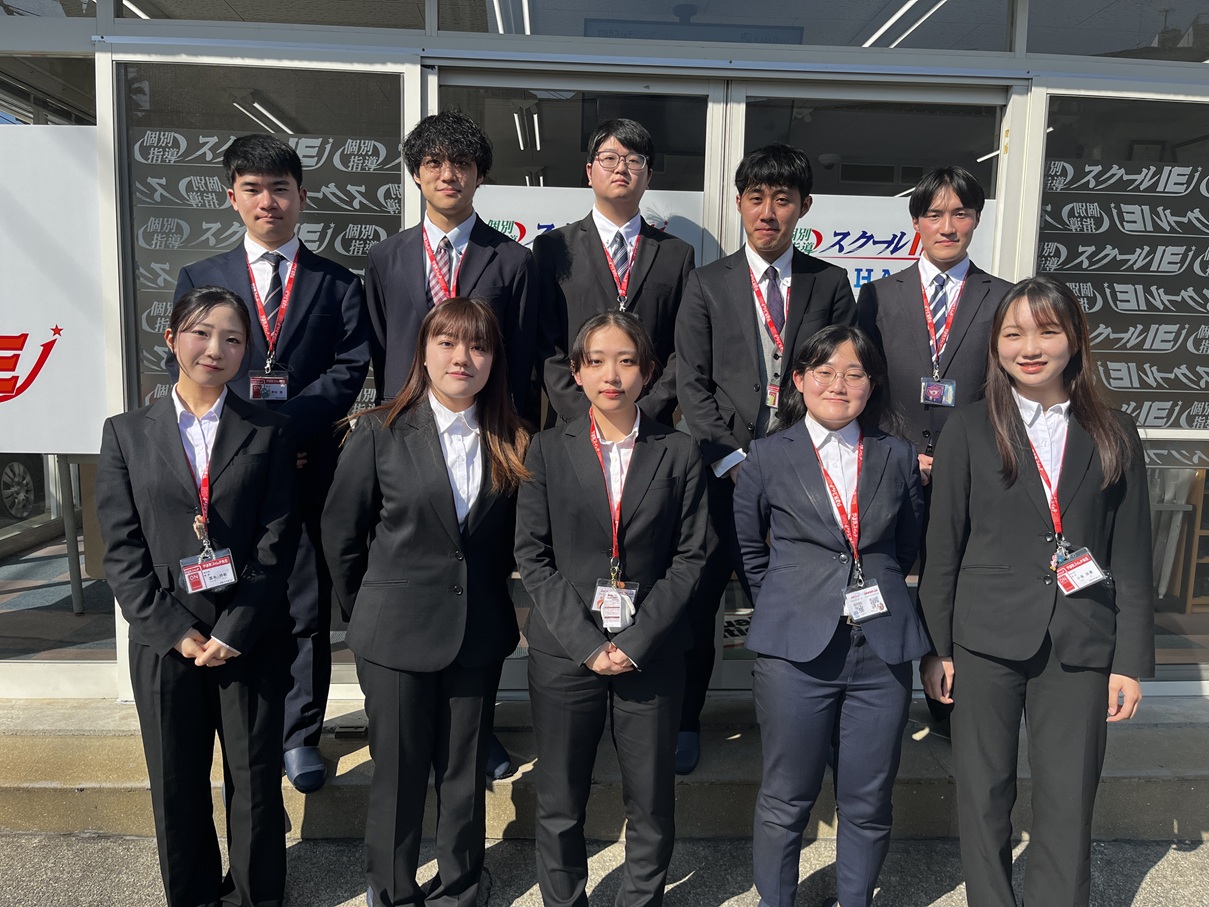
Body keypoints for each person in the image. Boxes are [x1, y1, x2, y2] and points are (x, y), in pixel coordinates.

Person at [919, 276, 1155, 907]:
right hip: (983, 640)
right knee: (984, 793)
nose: (1030, 348)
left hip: (1081, 640)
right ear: (995, 344)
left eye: (1047, 332)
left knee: (1069, 797)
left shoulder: (1115, 431)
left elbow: (1132, 555)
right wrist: (938, 648)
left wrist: (1129, 662)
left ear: (1074, 339)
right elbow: (943, 549)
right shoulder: (969, 428)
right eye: (1013, 333)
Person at [175, 133, 371, 793]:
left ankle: (299, 733)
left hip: (307, 463)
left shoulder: (337, 283)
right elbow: (193, 368)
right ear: (232, 197)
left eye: (280, 189)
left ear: (302, 197)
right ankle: (242, 719)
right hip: (228, 470)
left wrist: (285, 429)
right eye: (253, 189)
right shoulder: (201, 278)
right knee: (233, 588)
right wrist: (246, 436)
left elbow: (349, 368)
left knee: (303, 600)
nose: (268, 202)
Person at [322, 298, 531, 907]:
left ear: (494, 360)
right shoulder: (379, 430)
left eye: (478, 346)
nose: (462, 357)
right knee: (398, 770)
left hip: (477, 632)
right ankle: (391, 890)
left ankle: (460, 887)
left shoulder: (516, 439)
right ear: (423, 351)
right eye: (447, 342)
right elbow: (340, 535)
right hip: (393, 634)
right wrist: (369, 607)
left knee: (463, 772)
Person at [96, 286, 298, 907]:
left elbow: (278, 539)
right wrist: (173, 630)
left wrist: (235, 628)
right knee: (176, 782)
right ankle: (193, 894)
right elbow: (121, 550)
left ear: (246, 350)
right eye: (201, 333)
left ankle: (257, 895)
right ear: (172, 339)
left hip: (249, 635)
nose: (215, 348)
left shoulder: (268, 429)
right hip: (165, 641)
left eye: (233, 338)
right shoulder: (127, 433)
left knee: (254, 779)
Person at [675, 142, 857, 773]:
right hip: (719, 478)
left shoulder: (828, 283)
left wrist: (790, 459)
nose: (768, 212)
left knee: (799, 600)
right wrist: (731, 459)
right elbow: (692, 382)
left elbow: (839, 377)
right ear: (739, 204)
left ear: (804, 207)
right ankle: (685, 719)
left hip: (800, 479)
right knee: (698, 601)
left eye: (783, 199)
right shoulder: (706, 283)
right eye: (756, 198)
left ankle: (806, 724)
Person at [515, 310, 708, 907]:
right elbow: (533, 556)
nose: (612, 375)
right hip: (564, 650)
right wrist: (588, 644)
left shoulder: (678, 450)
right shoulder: (548, 449)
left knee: (649, 797)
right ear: (576, 372)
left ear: (647, 371)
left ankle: (641, 899)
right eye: (596, 361)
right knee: (559, 797)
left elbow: (691, 558)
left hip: (651, 651)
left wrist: (633, 642)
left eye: (626, 361)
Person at [733, 324, 928, 907]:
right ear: (798, 379)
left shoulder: (896, 455)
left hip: (881, 652)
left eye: (854, 373)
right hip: (795, 653)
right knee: (786, 797)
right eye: (824, 372)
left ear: (871, 384)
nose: (838, 385)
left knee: (868, 799)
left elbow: (907, 544)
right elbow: (749, 550)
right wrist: (790, 600)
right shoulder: (767, 455)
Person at [856, 165, 1012, 730]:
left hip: (970, 471)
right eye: (935, 214)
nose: (948, 226)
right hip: (892, 467)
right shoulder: (877, 295)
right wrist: (900, 451)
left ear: (977, 219)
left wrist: (960, 455)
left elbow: (1004, 390)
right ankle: (883, 701)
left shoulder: (1003, 297)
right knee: (889, 577)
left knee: (958, 582)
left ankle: (951, 709)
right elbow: (864, 383)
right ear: (916, 221)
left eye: (960, 214)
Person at [365, 110, 536, 413]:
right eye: (434, 162)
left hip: (483, 415)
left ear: (479, 175)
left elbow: (520, 356)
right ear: (416, 173)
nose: (448, 175)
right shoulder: (384, 258)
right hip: (404, 411)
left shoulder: (513, 260)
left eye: (461, 163)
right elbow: (380, 346)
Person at [534, 117, 694, 427]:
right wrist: (584, 415)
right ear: (589, 172)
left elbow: (684, 347)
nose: (621, 168)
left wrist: (647, 412)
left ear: (648, 176)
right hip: (573, 426)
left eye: (634, 160)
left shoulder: (677, 254)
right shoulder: (553, 247)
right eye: (609, 158)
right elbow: (545, 344)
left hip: (650, 427)